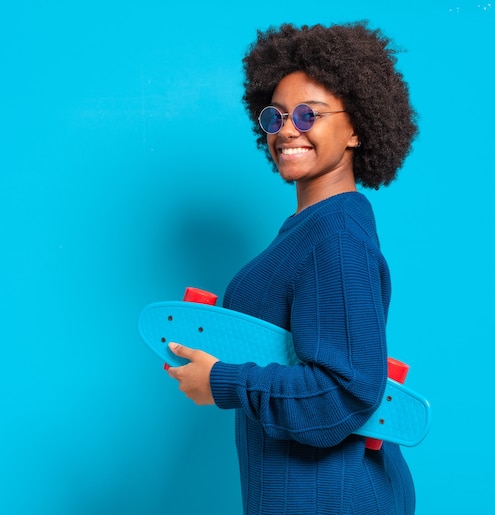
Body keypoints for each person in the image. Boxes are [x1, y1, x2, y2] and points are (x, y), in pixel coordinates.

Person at [166, 21, 419, 514]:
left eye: (309, 115)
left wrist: (221, 381)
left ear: (357, 128)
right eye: (276, 115)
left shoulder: (335, 235)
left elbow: (346, 392)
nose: (287, 129)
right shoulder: (311, 230)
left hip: (329, 497)